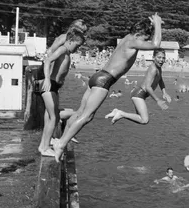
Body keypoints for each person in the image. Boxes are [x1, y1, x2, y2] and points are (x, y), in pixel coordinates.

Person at [53, 13, 163, 162]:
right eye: (144, 38)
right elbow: (156, 44)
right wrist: (157, 25)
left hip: (97, 77)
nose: (144, 42)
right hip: (104, 81)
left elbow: (151, 40)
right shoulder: (133, 41)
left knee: (79, 113)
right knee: (87, 117)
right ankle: (61, 144)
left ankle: (62, 140)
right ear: (138, 34)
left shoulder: (127, 38)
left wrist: (151, 26)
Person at [36, 30, 85, 156]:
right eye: (77, 45)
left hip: (54, 86)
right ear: (69, 41)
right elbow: (48, 61)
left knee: (55, 116)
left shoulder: (67, 52)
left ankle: (45, 144)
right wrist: (47, 78)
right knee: (53, 117)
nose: (78, 49)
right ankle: (45, 147)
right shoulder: (63, 49)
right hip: (49, 85)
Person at [105, 48, 171, 125]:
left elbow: (160, 80)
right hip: (139, 94)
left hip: (140, 94)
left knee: (140, 118)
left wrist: (164, 92)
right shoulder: (153, 69)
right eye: (159, 57)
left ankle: (118, 112)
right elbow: (147, 87)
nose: (161, 60)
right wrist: (157, 100)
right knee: (144, 120)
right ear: (153, 58)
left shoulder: (159, 69)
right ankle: (120, 113)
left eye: (163, 58)